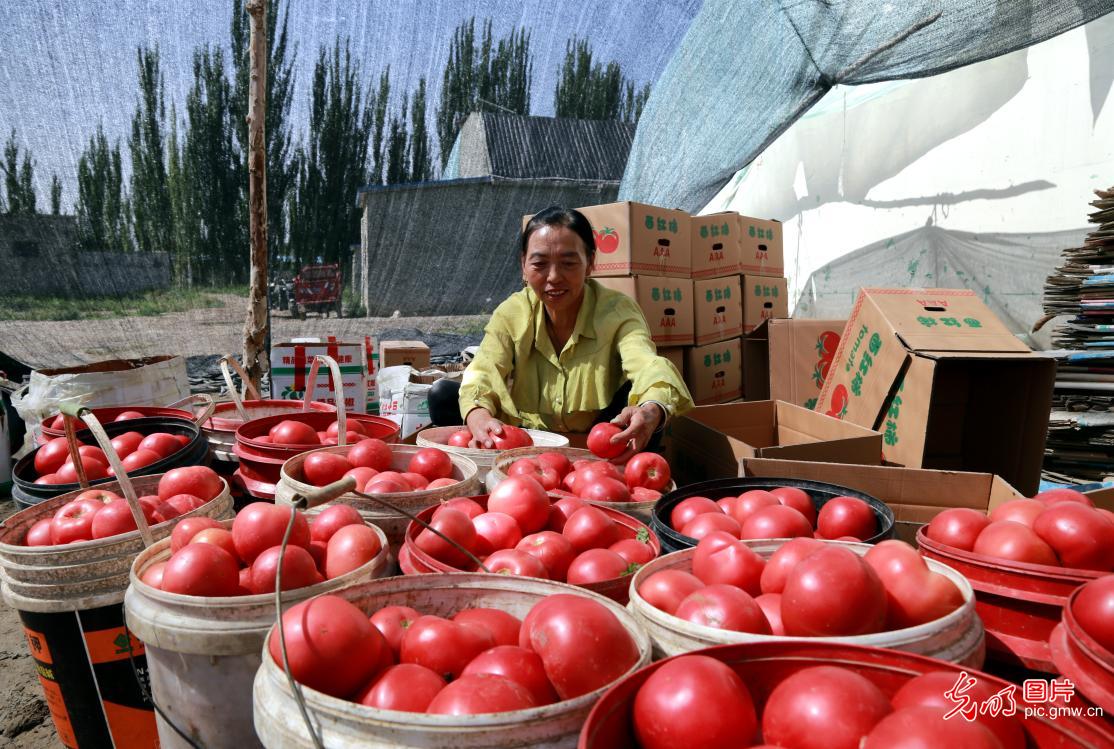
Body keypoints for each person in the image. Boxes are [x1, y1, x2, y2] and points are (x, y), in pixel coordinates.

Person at [428, 205, 693, 462]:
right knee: (444, 396)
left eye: (568, 263)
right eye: (540, 264)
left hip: (599, 437)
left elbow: (646, 363)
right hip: (531, 437)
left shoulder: (618, 311)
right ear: (523, 266)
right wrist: (478, 415)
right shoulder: (512, 313)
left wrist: (651, 409)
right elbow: (484, 369)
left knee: (649, 412)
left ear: (590, 262)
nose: (553, 277)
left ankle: (617, 462)